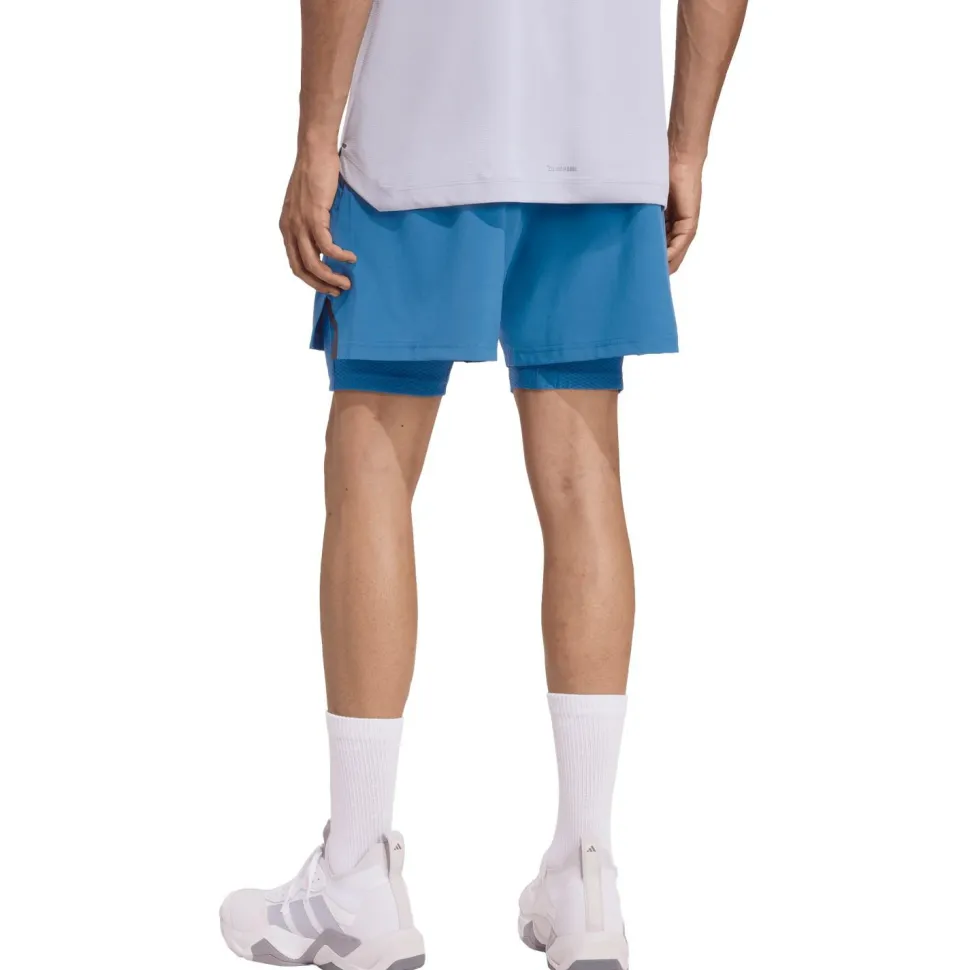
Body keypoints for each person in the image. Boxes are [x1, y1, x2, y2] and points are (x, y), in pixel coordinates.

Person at [220, 0, 746, 965]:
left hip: (424, 120)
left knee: (371, 458)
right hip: (600, 133)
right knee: (584, 476)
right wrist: (686, 144)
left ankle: (355, 874)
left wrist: (315, 134)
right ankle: (587, 875)